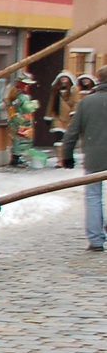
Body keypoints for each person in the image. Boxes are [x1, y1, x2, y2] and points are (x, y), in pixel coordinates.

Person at [61, 71, 107, 250]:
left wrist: (66, 155)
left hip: (94, 156)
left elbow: (73, 130)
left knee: (93, 197)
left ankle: (96, 240)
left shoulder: (86, 102)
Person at [47, 71, 79, 136]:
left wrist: (73, 112)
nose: (63, 79)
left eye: (65, 77)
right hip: (57, 114)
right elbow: (51, 103)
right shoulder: (55, 89)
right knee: (58, 132)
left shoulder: (74, 89)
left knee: (68, 133)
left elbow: (75, 101)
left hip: (68, 114)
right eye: (62, 77)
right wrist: (48, 115)